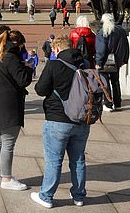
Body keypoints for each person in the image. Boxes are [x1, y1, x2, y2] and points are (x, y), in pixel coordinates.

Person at [31, 35, 90, 208]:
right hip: (82, 119)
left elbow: (40, 89)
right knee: (78, 160)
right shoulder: (84, 63)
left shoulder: (54, 64)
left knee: (54, 161)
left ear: (56, 49)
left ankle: (46, 196)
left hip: (58, 119)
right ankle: (79, 196)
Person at [0, 29, 32, 190]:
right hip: (8, 102)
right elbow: (23, 80)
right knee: (8, 142)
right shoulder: (11, 56)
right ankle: (6, 178)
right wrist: (29, 67)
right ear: (17, 43)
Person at [95, 13, 129, 111]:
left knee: (105, 82)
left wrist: (98, 62)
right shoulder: (120, 31)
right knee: (115, 82)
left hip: (105, 61)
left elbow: (101, 49)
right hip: (117, 61)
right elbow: (125, 46)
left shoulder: (102, 32)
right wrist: (124, 59)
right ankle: (118, 103)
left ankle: (108, 103)